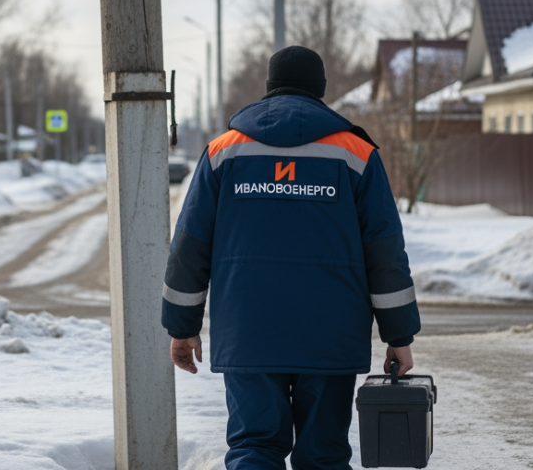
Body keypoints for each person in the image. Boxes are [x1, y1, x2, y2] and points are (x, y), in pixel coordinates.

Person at [161, 45, 421, 470]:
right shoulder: (356, 154)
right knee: (324, 454)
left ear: (268, 88)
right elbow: (386, 251)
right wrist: (399, 335)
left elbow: (189, 246)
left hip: (248, 330)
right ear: (321, 91)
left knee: (253, 448)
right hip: (330, 333)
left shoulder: (222, 152)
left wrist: (182, 325)